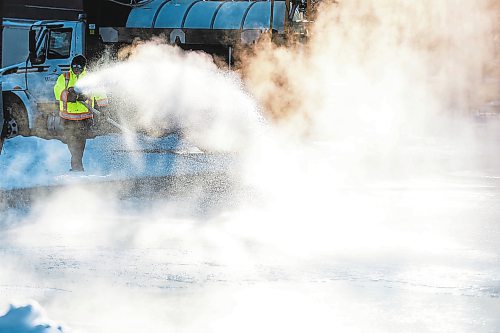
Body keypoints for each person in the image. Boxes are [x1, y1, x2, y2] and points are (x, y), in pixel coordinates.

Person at [53, 55, 106, 172]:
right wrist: (70, 95)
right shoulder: (64, 78)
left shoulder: (89, 78)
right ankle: (77, 163)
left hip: (84, 117)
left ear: (84, 67)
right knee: (71, 141)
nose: (76, 68)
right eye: (74, 66)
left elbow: (100, 93)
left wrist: (103, 108)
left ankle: (77, 165)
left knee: (80, 141)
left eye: (79, 66)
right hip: (67, 117)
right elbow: (57, 92)